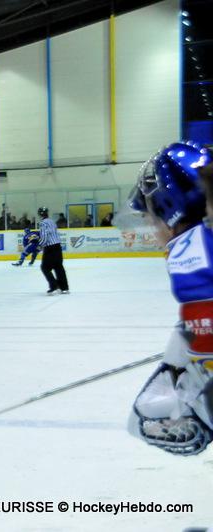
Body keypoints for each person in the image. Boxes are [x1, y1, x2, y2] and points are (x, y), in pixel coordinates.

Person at [126, 141, 213, 456]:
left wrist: (197, 412)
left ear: (168, 210)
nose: (153, 229)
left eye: (151, 218)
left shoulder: (193, 252)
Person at [37, 207, 68, 295]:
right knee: (58, 267)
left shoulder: (43, 223)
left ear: (40, 215)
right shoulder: (52, 221)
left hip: (50, 248)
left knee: (45, 267)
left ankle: (54, 286)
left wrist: (39, 246)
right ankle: (64, 288)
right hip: (58, 246)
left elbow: (44, 237)